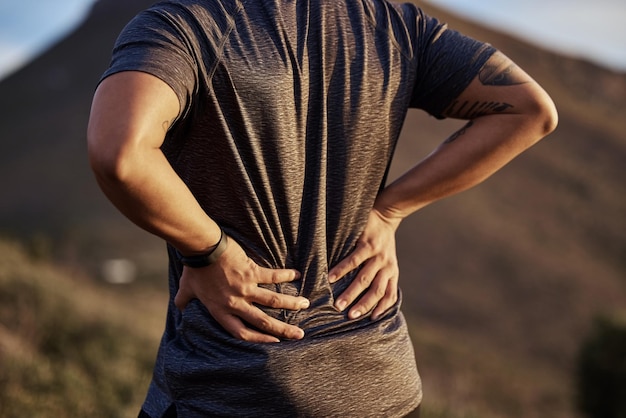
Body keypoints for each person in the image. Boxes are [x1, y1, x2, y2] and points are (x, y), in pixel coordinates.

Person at [87, 0, 557, 416]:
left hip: (239, 385)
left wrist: (208, 252)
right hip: (383, 384)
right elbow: (530, 110)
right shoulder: (395, 24)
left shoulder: (184, 25)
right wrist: (390, 211)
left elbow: (121, 153)